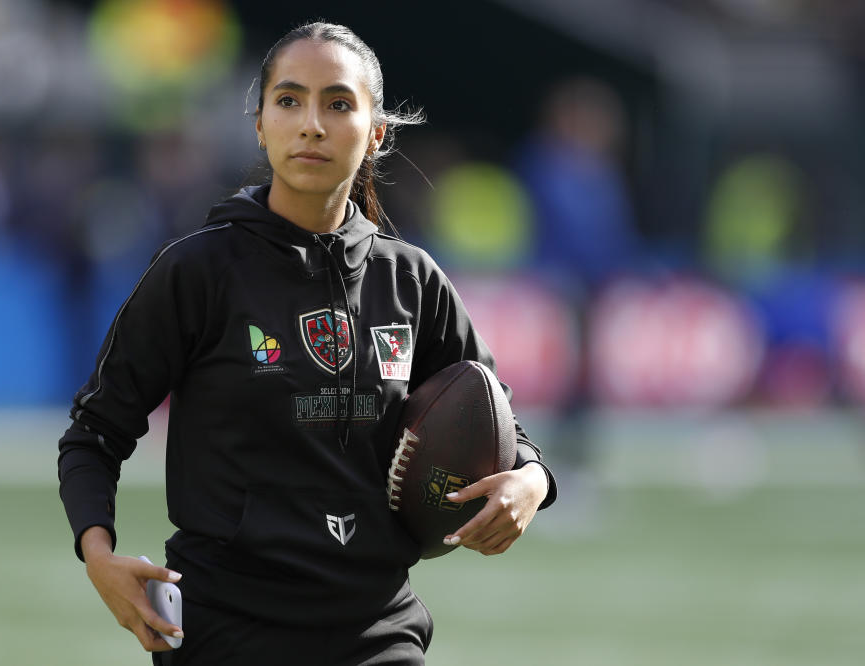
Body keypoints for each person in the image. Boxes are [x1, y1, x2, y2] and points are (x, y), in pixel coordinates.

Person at [57, 21, 556, 665]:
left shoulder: (412, 280)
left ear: (376, 132)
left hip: (378, 631)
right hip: (223, 632)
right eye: (289, 101)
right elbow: (95, 432)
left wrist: (531, 483)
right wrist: (98, 556)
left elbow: (499, 419)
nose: (312, 124)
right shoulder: (198, 271)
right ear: (260, 124)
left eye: (339, 104)